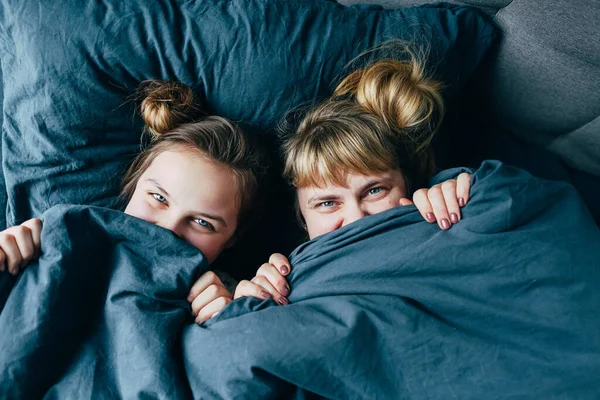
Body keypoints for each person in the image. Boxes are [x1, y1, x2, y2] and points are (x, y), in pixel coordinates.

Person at [0, 80, 269, 323]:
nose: (167, 230)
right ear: (133, 185)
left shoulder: (222, 300)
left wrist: (228, 323)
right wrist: (7, 257)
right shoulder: (57, 239)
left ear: (231, 238)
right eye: (159, 198)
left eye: (202, 222)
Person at [234, 47, 472, 305]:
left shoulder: (451, 215)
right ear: (302, 219)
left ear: (407, 185)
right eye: (327, 203)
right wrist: (249, 306)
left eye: (374, 190)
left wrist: (471, 199)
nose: (357, 219)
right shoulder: (284, 284)